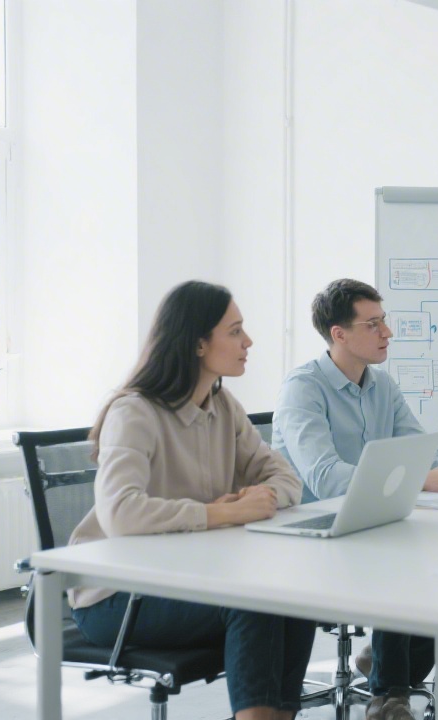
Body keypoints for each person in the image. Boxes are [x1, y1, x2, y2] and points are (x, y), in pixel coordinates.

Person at [68, 280, 315, 720]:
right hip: (118, 597)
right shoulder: (134, 412)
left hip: (186, 578)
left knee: (296, 596)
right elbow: (121, 513)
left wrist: (262, 495)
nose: (248, 341)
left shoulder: (224, 407)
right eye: (235, 331)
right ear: (199, 343)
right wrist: (223, 512)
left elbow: (283, 475)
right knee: (254, 601)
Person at [272, 278, 438, 720]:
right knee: (404, 561)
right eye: (374, 325)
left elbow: (420, 445)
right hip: (310, 533)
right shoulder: (303, 388)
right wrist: (426, 479)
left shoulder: (381, 385)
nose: (387, 333)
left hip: (369, 524)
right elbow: (326, 478)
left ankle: (385, 669)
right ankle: (389, 696)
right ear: (339, 334)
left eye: (384, 322)